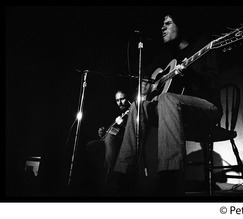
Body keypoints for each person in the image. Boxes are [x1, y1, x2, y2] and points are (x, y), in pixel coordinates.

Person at [113, 12, 223, 197]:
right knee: (137, 107)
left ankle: (170, 178)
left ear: (181, 25)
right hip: (176, 113)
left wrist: (190, 75)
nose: (162, 28)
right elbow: (148, 80)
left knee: (167, 98)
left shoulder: (202, 44)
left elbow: (212, 83)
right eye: (162, 24)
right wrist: (147, 85)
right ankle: (123, 176)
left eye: (168, 23)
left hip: (207, 108)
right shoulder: (166, 56)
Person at [83, 88, 131, 196]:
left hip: (125, 143)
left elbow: (135, 131)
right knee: (90, 145)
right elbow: (113, 131)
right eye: (117, 100)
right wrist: (103, 132)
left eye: (122, 99)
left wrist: (123, 124)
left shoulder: (132, 110)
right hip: (110, 141)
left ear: (128, 99)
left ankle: (108, 174)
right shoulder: (118, 113)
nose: (119, 102)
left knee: (110, 137)